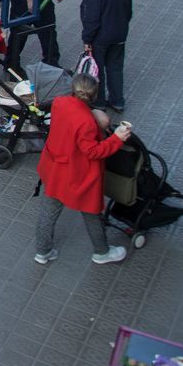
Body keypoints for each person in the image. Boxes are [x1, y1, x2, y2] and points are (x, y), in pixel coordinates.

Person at [33, 74, 131, 267]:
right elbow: (93, 151)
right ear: (93, 96)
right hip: (76, 174)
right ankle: (102, 252)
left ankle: (42, 251)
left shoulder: (60, 103)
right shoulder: (86, 122)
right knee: (91, 212)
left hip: (54, 169)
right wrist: (117, 139)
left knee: (48, 212)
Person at [80, 0, 133, 112]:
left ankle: (99, 102)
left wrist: (87, 39)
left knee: (98, 70)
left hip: (100, 38)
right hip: (119, 37)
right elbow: (128, 12)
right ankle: (118, 101)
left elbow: (92, 19)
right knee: (115, 68)